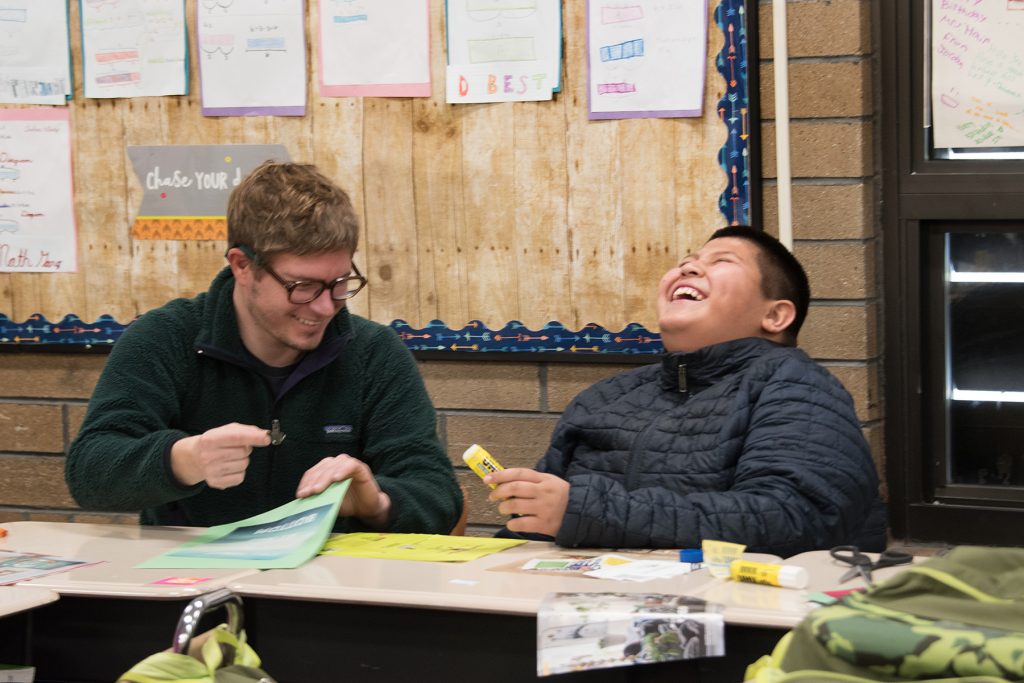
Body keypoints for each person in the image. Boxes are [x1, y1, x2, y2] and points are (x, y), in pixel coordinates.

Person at [66, 161, 461, 534]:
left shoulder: (374, 354)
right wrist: (184, 459)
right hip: (192, 583)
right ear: (241, 265)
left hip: (331, 589)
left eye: (340, 283)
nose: (325, 307)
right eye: (302, 286)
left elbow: (439, 494)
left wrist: (376, 501)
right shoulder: (166, 337)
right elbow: (89, 472)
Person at [485, 225, 886, 556]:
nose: (689, 268)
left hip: (739, 623)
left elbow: (794, 517)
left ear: (775, 315)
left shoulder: (796, 384)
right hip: (579, 610)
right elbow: (537, 526)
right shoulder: (605, 397)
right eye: (686, 262)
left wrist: (589, 510)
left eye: (720, 261)